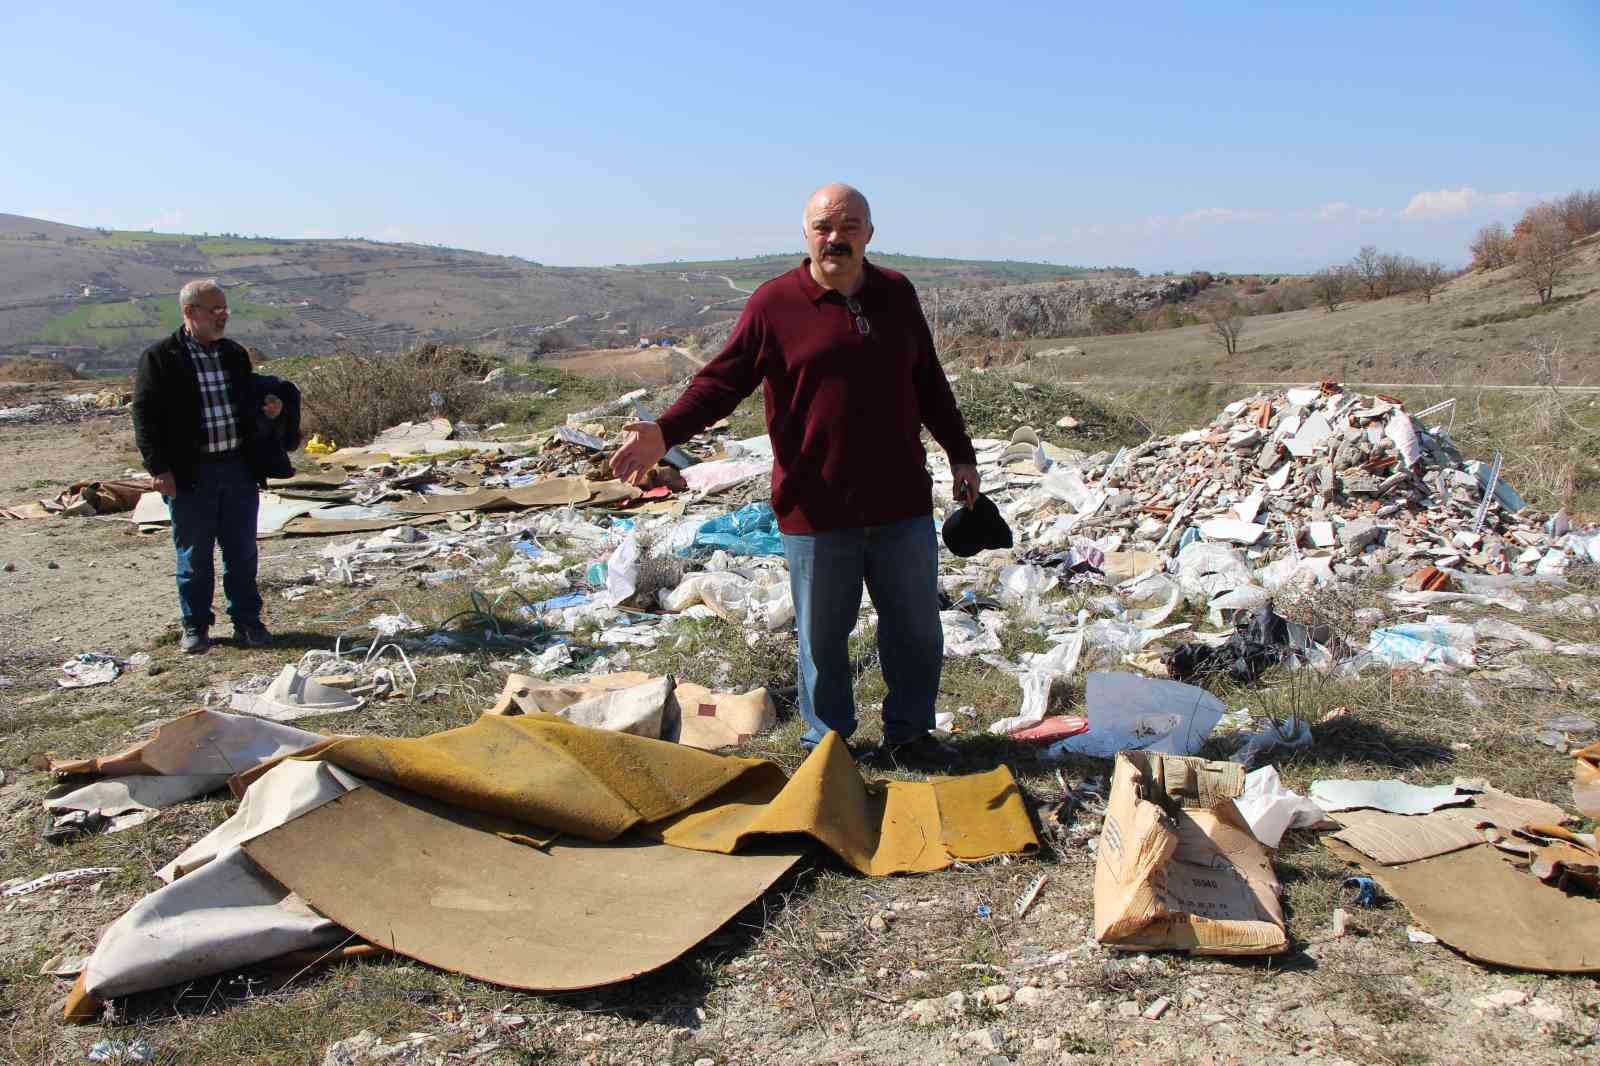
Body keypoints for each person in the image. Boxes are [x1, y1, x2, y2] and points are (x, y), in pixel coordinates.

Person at [611, 183, 980, 765]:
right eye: (823, 227)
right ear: (806, 234)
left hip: (901, 501)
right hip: (817, 506)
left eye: (849, 226)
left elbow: (928, 381)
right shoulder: (774, 304)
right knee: (822, 641)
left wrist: (960, 453)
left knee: (914, 631)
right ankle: (828, 744)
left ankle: (910, 734)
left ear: (869, 233)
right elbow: (721, 383)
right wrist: (665, 430)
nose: (836, 238)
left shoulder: (897, 294)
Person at [132, 279, 284, 653]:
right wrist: (159, 469)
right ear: (189, 312)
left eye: (224, 308)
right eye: (213, 309)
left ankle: (247, 623)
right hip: (190, 474)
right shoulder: (160, 357)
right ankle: (195, 626)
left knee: (242, 553)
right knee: (194, 557)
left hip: (237, 470)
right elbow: (145, 416)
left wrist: (270, 410)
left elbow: (246, 404)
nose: (222, 315)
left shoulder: (233, 354)